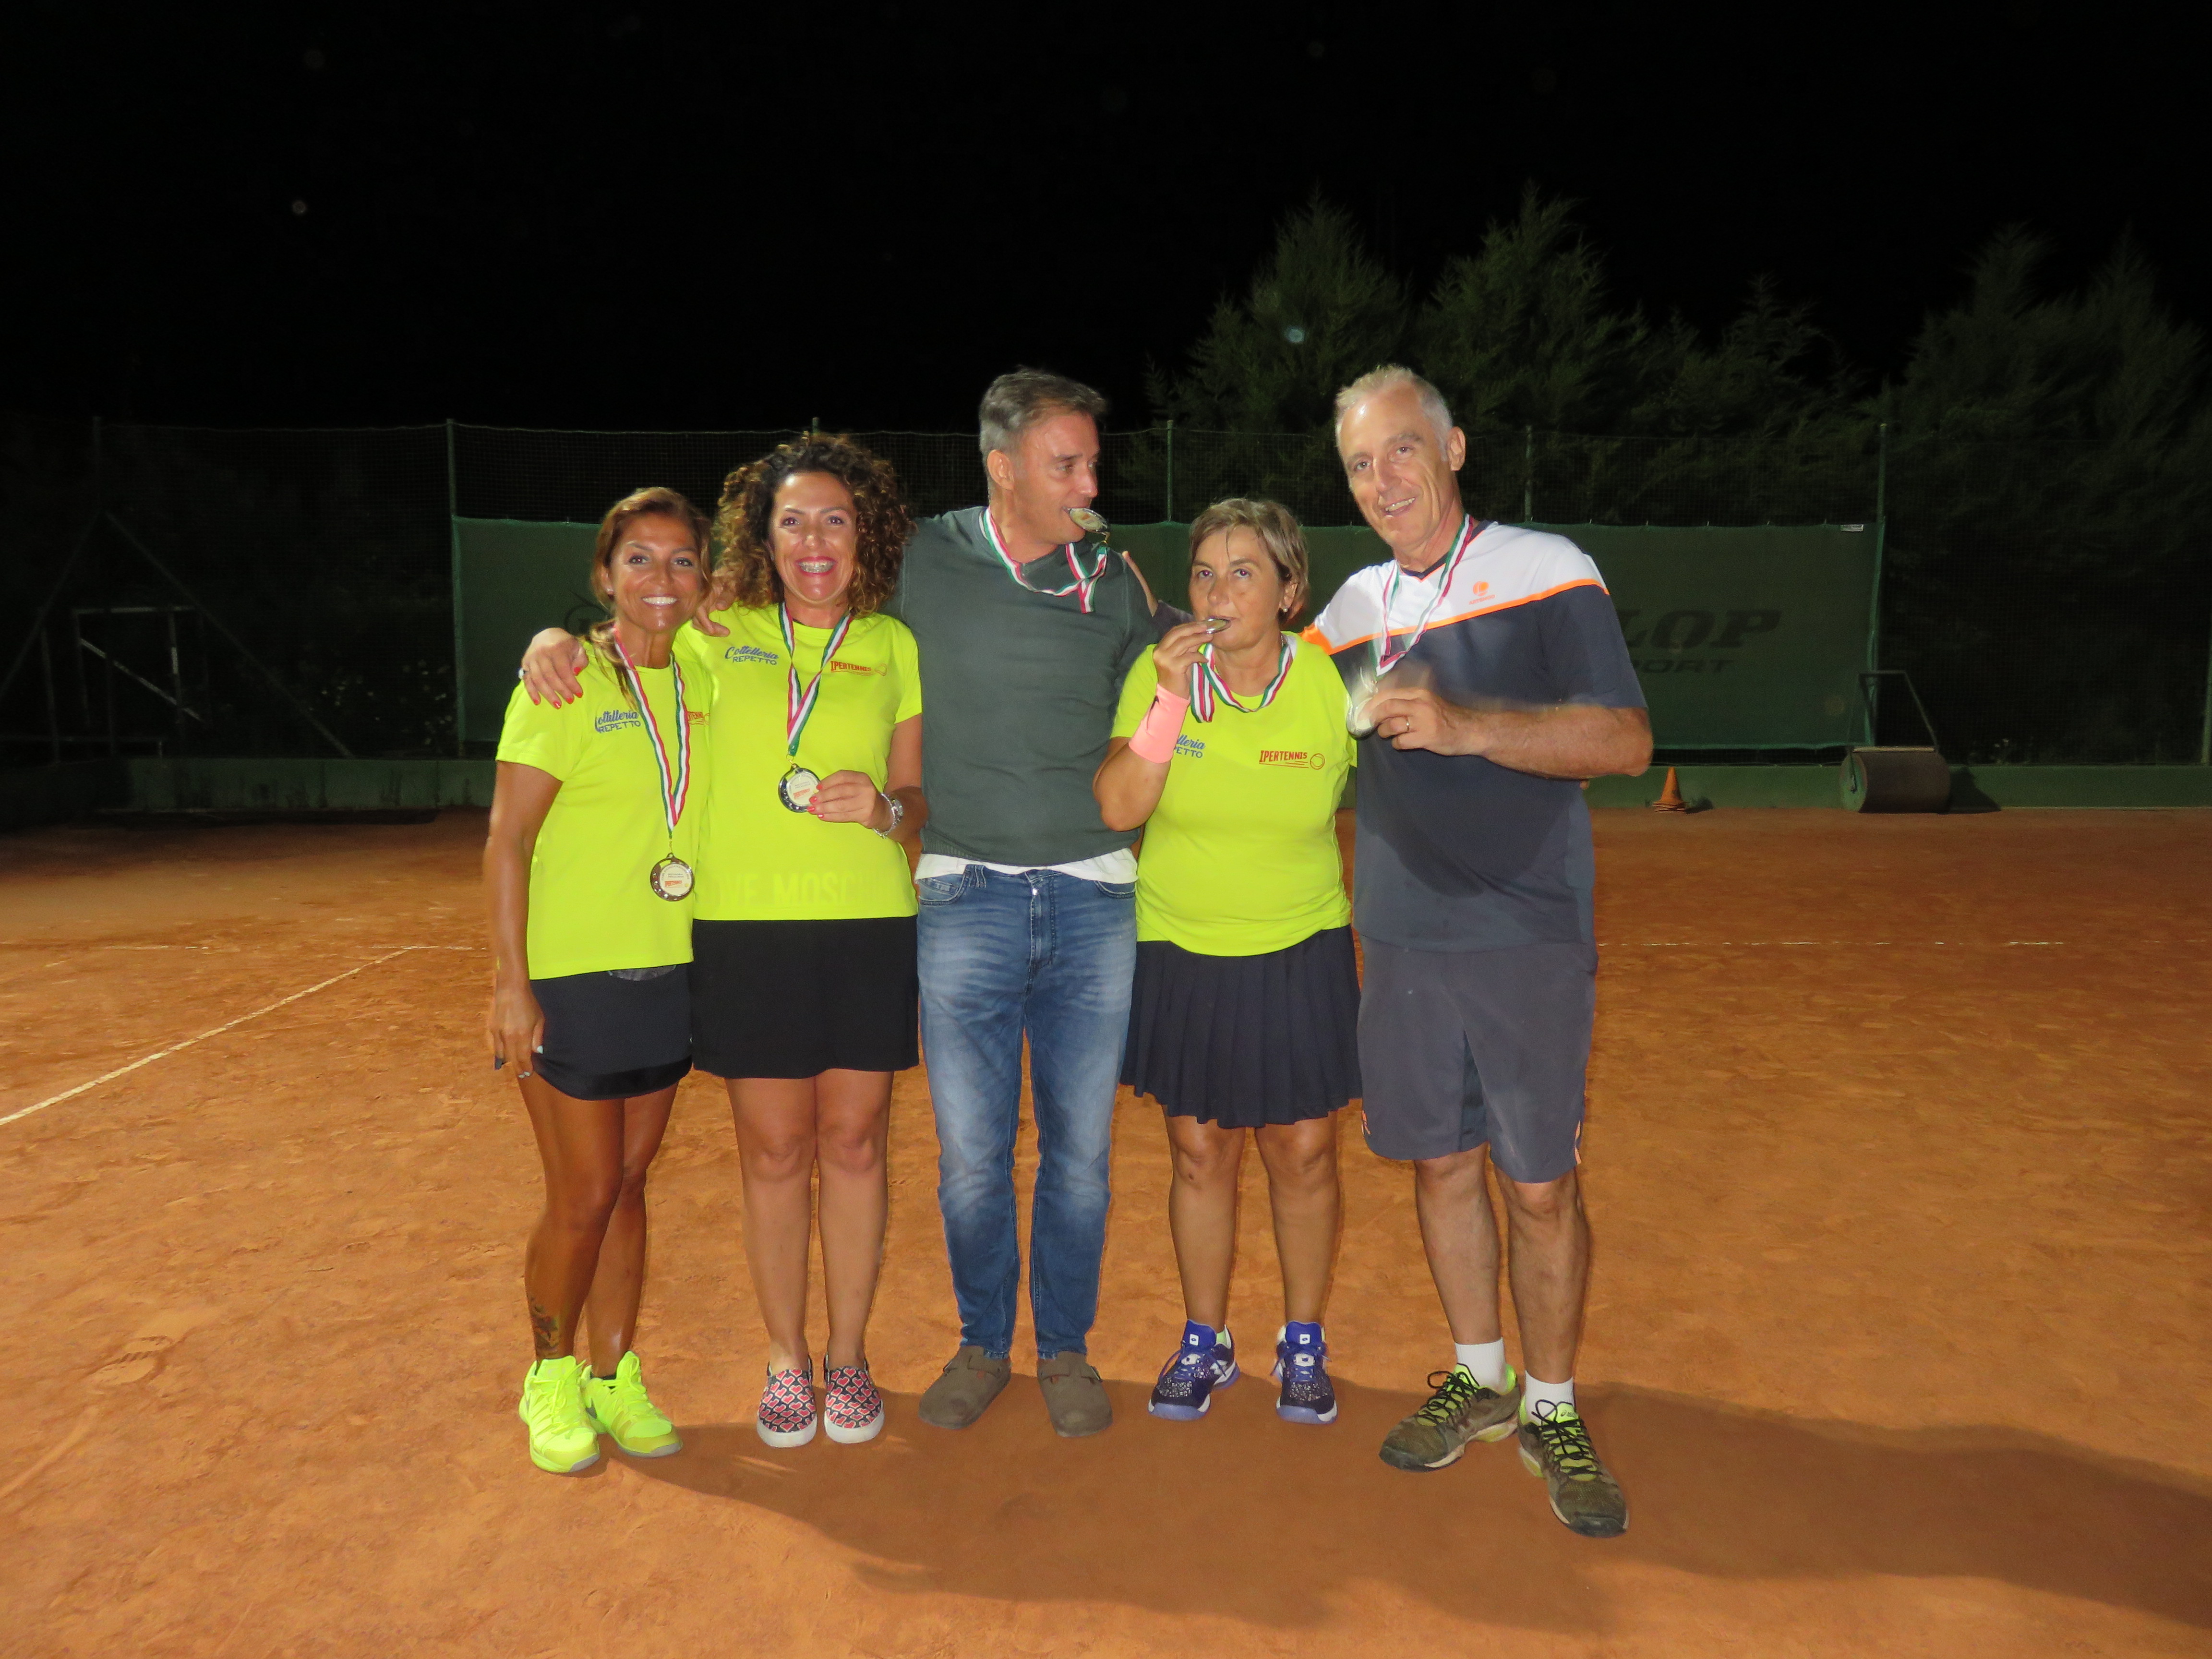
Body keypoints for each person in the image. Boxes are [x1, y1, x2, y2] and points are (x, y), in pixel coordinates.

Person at [521, 437, 926, 1451]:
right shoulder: (718, 633)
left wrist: (886, 810)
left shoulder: (895, 646)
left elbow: (917, 802)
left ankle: (848, 1358)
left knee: (856, 1146)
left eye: (835, 519)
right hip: (745, 931)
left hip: (867, 926)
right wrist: (551, 638)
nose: (815, 541)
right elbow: (633, 637)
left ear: (865, 534)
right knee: (776, 1152)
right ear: (764, 539)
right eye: (793, 521)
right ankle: (786, 1359)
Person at [1308, 365, 1652, 1537]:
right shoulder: (1354, 610)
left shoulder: (1548, 569)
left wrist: (1469, 728)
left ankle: (1552, 1404)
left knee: (1539, 1183)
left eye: (1403, 450)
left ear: (1453, 449)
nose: (1383, 480)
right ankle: (1481, 1374)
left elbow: (1624, 739)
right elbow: (1275, 706)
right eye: (1361, 464)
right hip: (1401, 933)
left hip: (1524, 929)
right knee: (1442, 1165)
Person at [895, 370, 1163, 1438]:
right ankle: (980, 1344)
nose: (1090, 484)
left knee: (1080, 1160)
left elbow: (1192, 674)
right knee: (972, 1159)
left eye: (1093, 463)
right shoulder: (918, 557)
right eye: (1067, 465)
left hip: (1095, 899)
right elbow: (788, 608)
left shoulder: (1115, 578)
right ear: (1001, 468)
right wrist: (569, 641)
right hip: (963, 893)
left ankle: (1064, 1349)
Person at [1094, 498, 1358, 1426]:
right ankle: (1205, 1340)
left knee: (1304, 1151)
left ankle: (1304, 1340)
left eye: (1244, 572)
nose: (1218, 591)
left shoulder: (1331, 682)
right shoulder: (1160, 674)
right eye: (1205, 573)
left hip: (1301, 945)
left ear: (1290, 591)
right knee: (1200, 1152)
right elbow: (1119, 807)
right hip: (1184, 944)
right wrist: (1169, 702)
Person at [485, 485, 714, 1475]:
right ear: (604, 576)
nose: (661, 579)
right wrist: (512, 984)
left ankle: (615, 1375)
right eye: (639, 560)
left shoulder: (708, 676)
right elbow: (507, 840)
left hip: (671, 971)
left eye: (681, 560)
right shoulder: (564, 685)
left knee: (628, 1185)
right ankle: (550, 1374)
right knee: (580, 1192)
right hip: (571, 978)